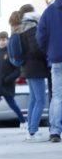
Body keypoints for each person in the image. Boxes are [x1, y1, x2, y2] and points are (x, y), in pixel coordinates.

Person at [18, 9, 49, 142]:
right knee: (40, 100)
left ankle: (30, 129)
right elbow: (37, 50)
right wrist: (46, 54)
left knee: (33, 99)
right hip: (36, 69)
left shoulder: (22, 32)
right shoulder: (33, 32)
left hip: (28, 69)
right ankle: (33, 131)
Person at [37, 0, 62, 142]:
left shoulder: (50, 11)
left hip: (57, 59)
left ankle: (55, 132)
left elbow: (41, 36)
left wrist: (49, 50)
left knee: (57, 96)